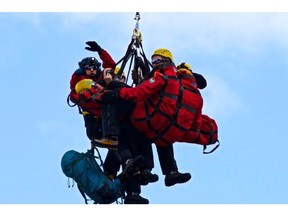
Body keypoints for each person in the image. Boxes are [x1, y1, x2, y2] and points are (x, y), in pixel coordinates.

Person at [101, 48, 204, 186]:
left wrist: (115, 90)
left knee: (121, 107)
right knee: (163, 138)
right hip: (166, 126)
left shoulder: (163, 77)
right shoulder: (187, 90)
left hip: (147, 117)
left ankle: (113, 140)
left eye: (157, 61)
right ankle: (169, 172)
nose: (154, 63)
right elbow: (196, 123)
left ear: (166, 61)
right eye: (153, 61)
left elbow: (140, 92)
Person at [68, 41, 151, 204]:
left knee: (126, 155)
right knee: (121, 149)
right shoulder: (82, 88)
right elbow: (78, 92)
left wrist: (101, 51)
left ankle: (132, 191)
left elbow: (111, 65)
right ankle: (124, 171)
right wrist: (82, 75)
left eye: (94, 67)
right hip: (98, 127)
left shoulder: (101, 82)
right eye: (88, 68)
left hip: (112, 125)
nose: (92, 70)